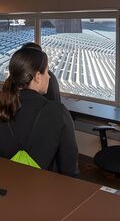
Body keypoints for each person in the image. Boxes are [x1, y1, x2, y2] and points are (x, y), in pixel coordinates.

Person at [0, 48, 78, 177]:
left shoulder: (3, 105)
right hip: (45, 192)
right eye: (47, 72)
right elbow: (69, 170)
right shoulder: (58, 112)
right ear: (37, 76)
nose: (49, 77)